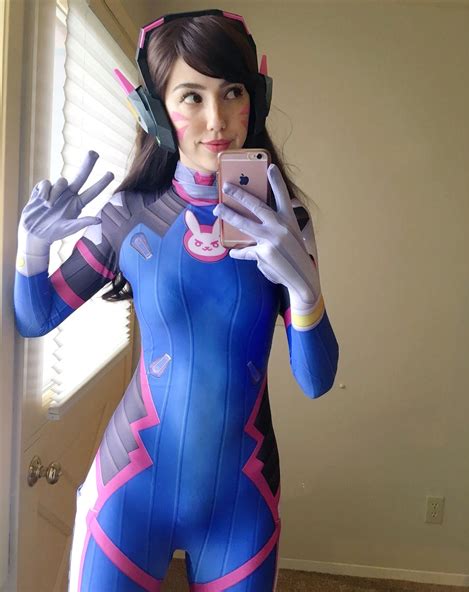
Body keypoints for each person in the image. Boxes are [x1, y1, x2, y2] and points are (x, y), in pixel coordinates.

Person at [14, 9, 339, 592]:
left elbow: (316, 380)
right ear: (156, 111)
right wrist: (31, 248)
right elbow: (36, 316)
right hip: (130, 488)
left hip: (243, 503)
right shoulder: (128, 216)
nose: (217, 120)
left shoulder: (286, 226)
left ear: (256, 98)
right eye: (191, 96)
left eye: (232, 92)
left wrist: (305, 292)